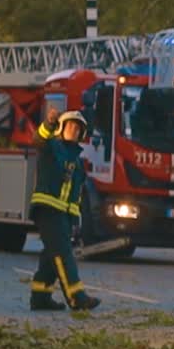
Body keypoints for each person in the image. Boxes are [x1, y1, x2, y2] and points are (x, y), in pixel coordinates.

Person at [29, 108, 100, 311]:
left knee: (51, 256)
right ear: (61, 127)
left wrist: (75, 221)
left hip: (65, 215)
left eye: (78, 128)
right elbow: (38, 139)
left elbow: (75, 194)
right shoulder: (51, 146)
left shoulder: (77, 160)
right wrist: (49, 123)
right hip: (48, 209)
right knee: (63, 254)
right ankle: (77, 297)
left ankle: (40, 297)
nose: (74, 130)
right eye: (70, 125)